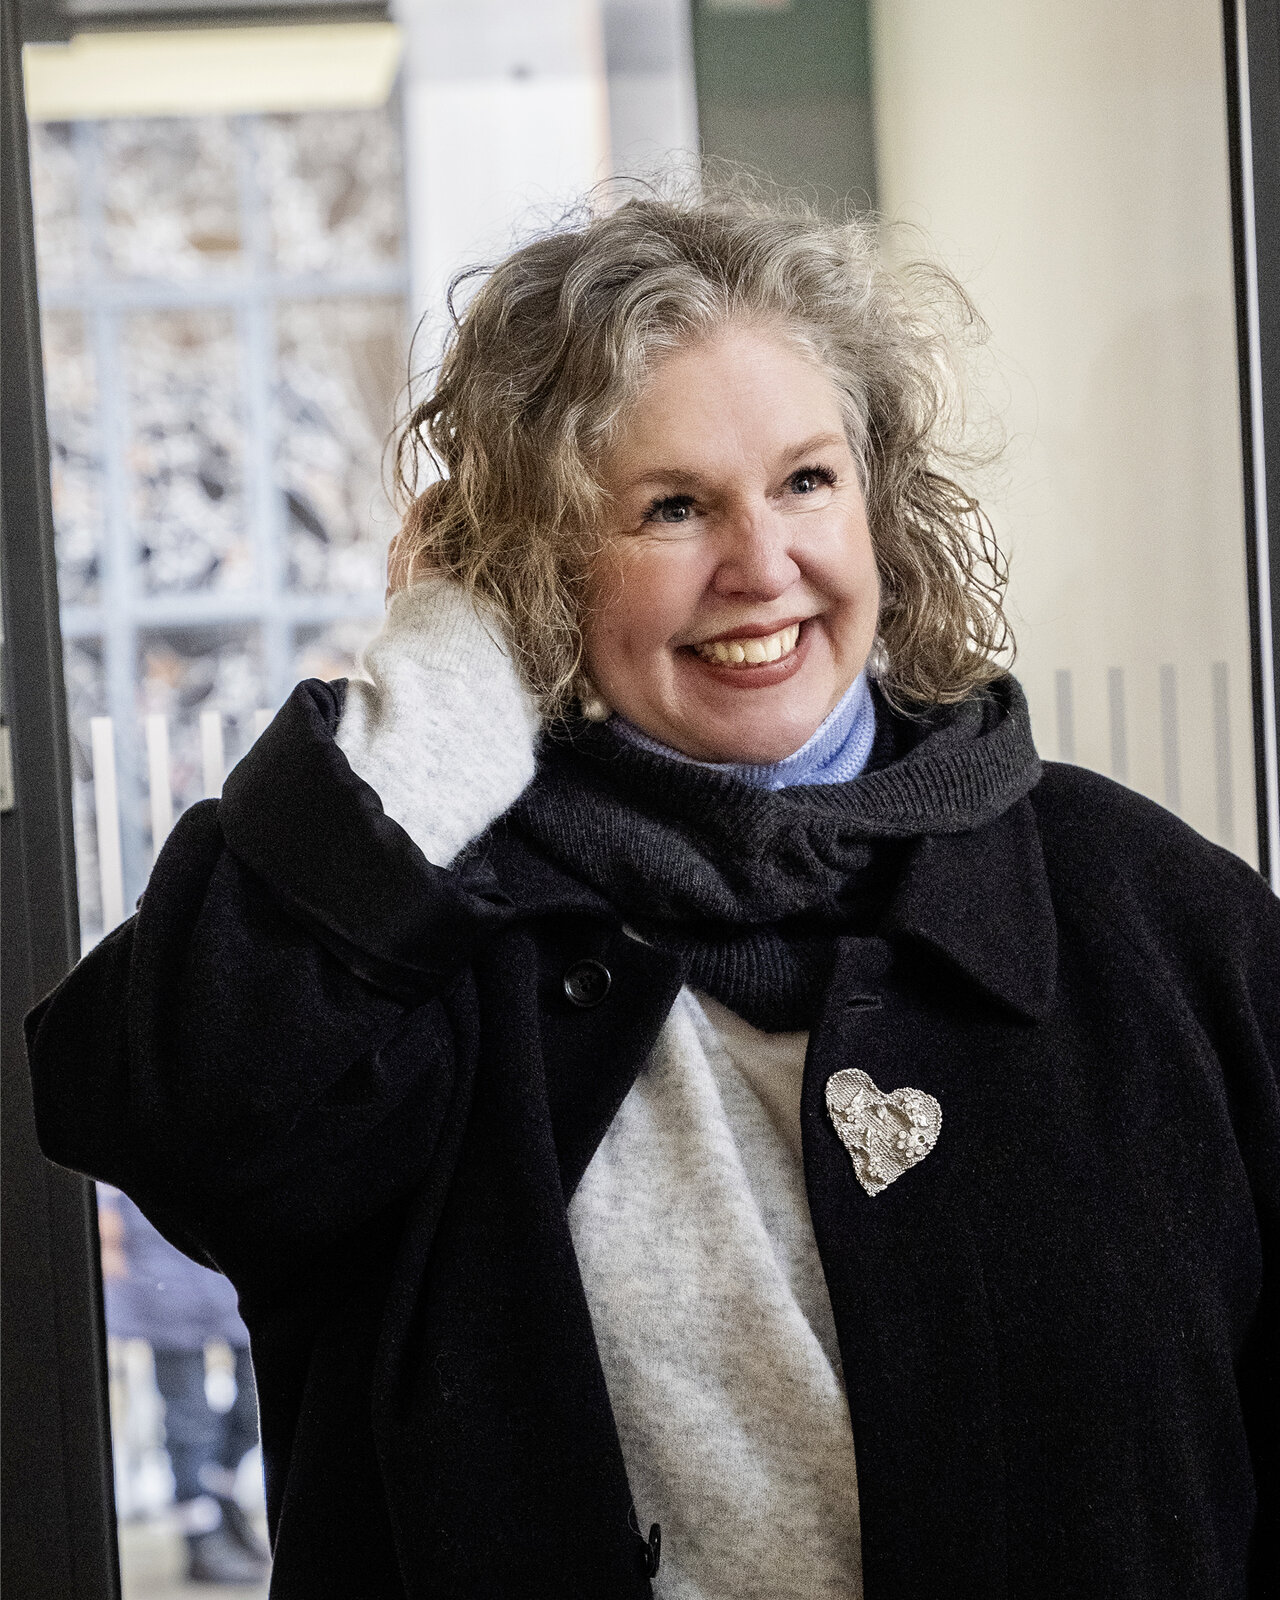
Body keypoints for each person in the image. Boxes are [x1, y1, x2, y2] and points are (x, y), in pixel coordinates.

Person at [26, 183, 1279, 1600]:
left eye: (806, 481)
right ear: (539, 563)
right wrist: (441, 697)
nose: (762, 566)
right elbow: (164, 1104)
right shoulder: (431, 953)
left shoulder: (1160, 916)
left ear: (879, 502)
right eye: (672, 507)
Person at [97, 1185, 269, 1585]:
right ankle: (201, 1538)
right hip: (159, 1270)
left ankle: (222, 1500)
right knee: (190, 1422)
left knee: (255, 1407)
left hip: (226, 1264)